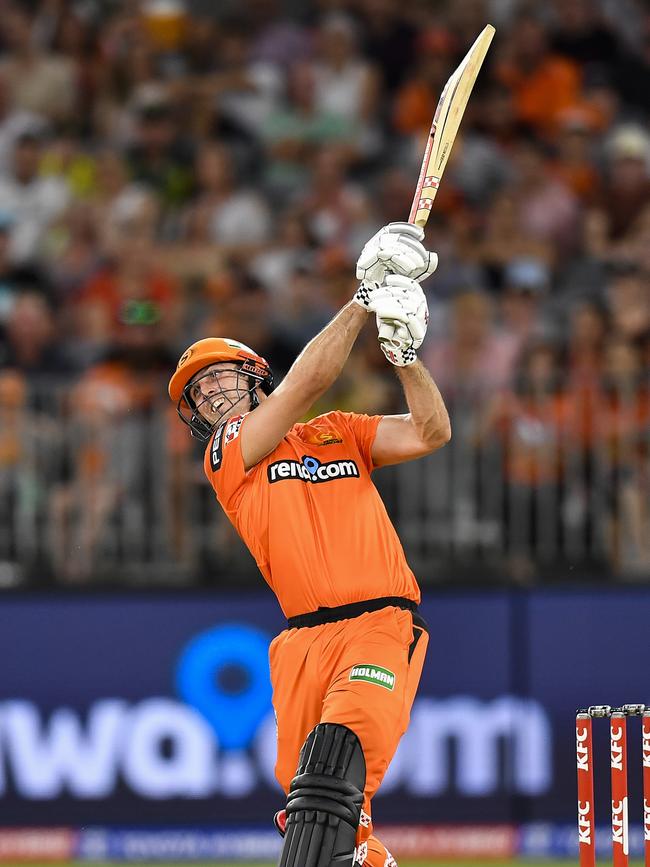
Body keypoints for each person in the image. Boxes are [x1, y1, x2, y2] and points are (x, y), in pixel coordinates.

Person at [168, 223, 450, 867]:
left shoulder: (339, 433)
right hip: (301, 642)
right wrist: (364, 296)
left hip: (379, 621)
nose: (209, 395)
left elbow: (431, 432)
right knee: (313, 817)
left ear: (250, 376)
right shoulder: (226, 455)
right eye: (197, 394)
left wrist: (406, 357)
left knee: (333, 771)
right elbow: (304, 387)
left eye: (217, 379)